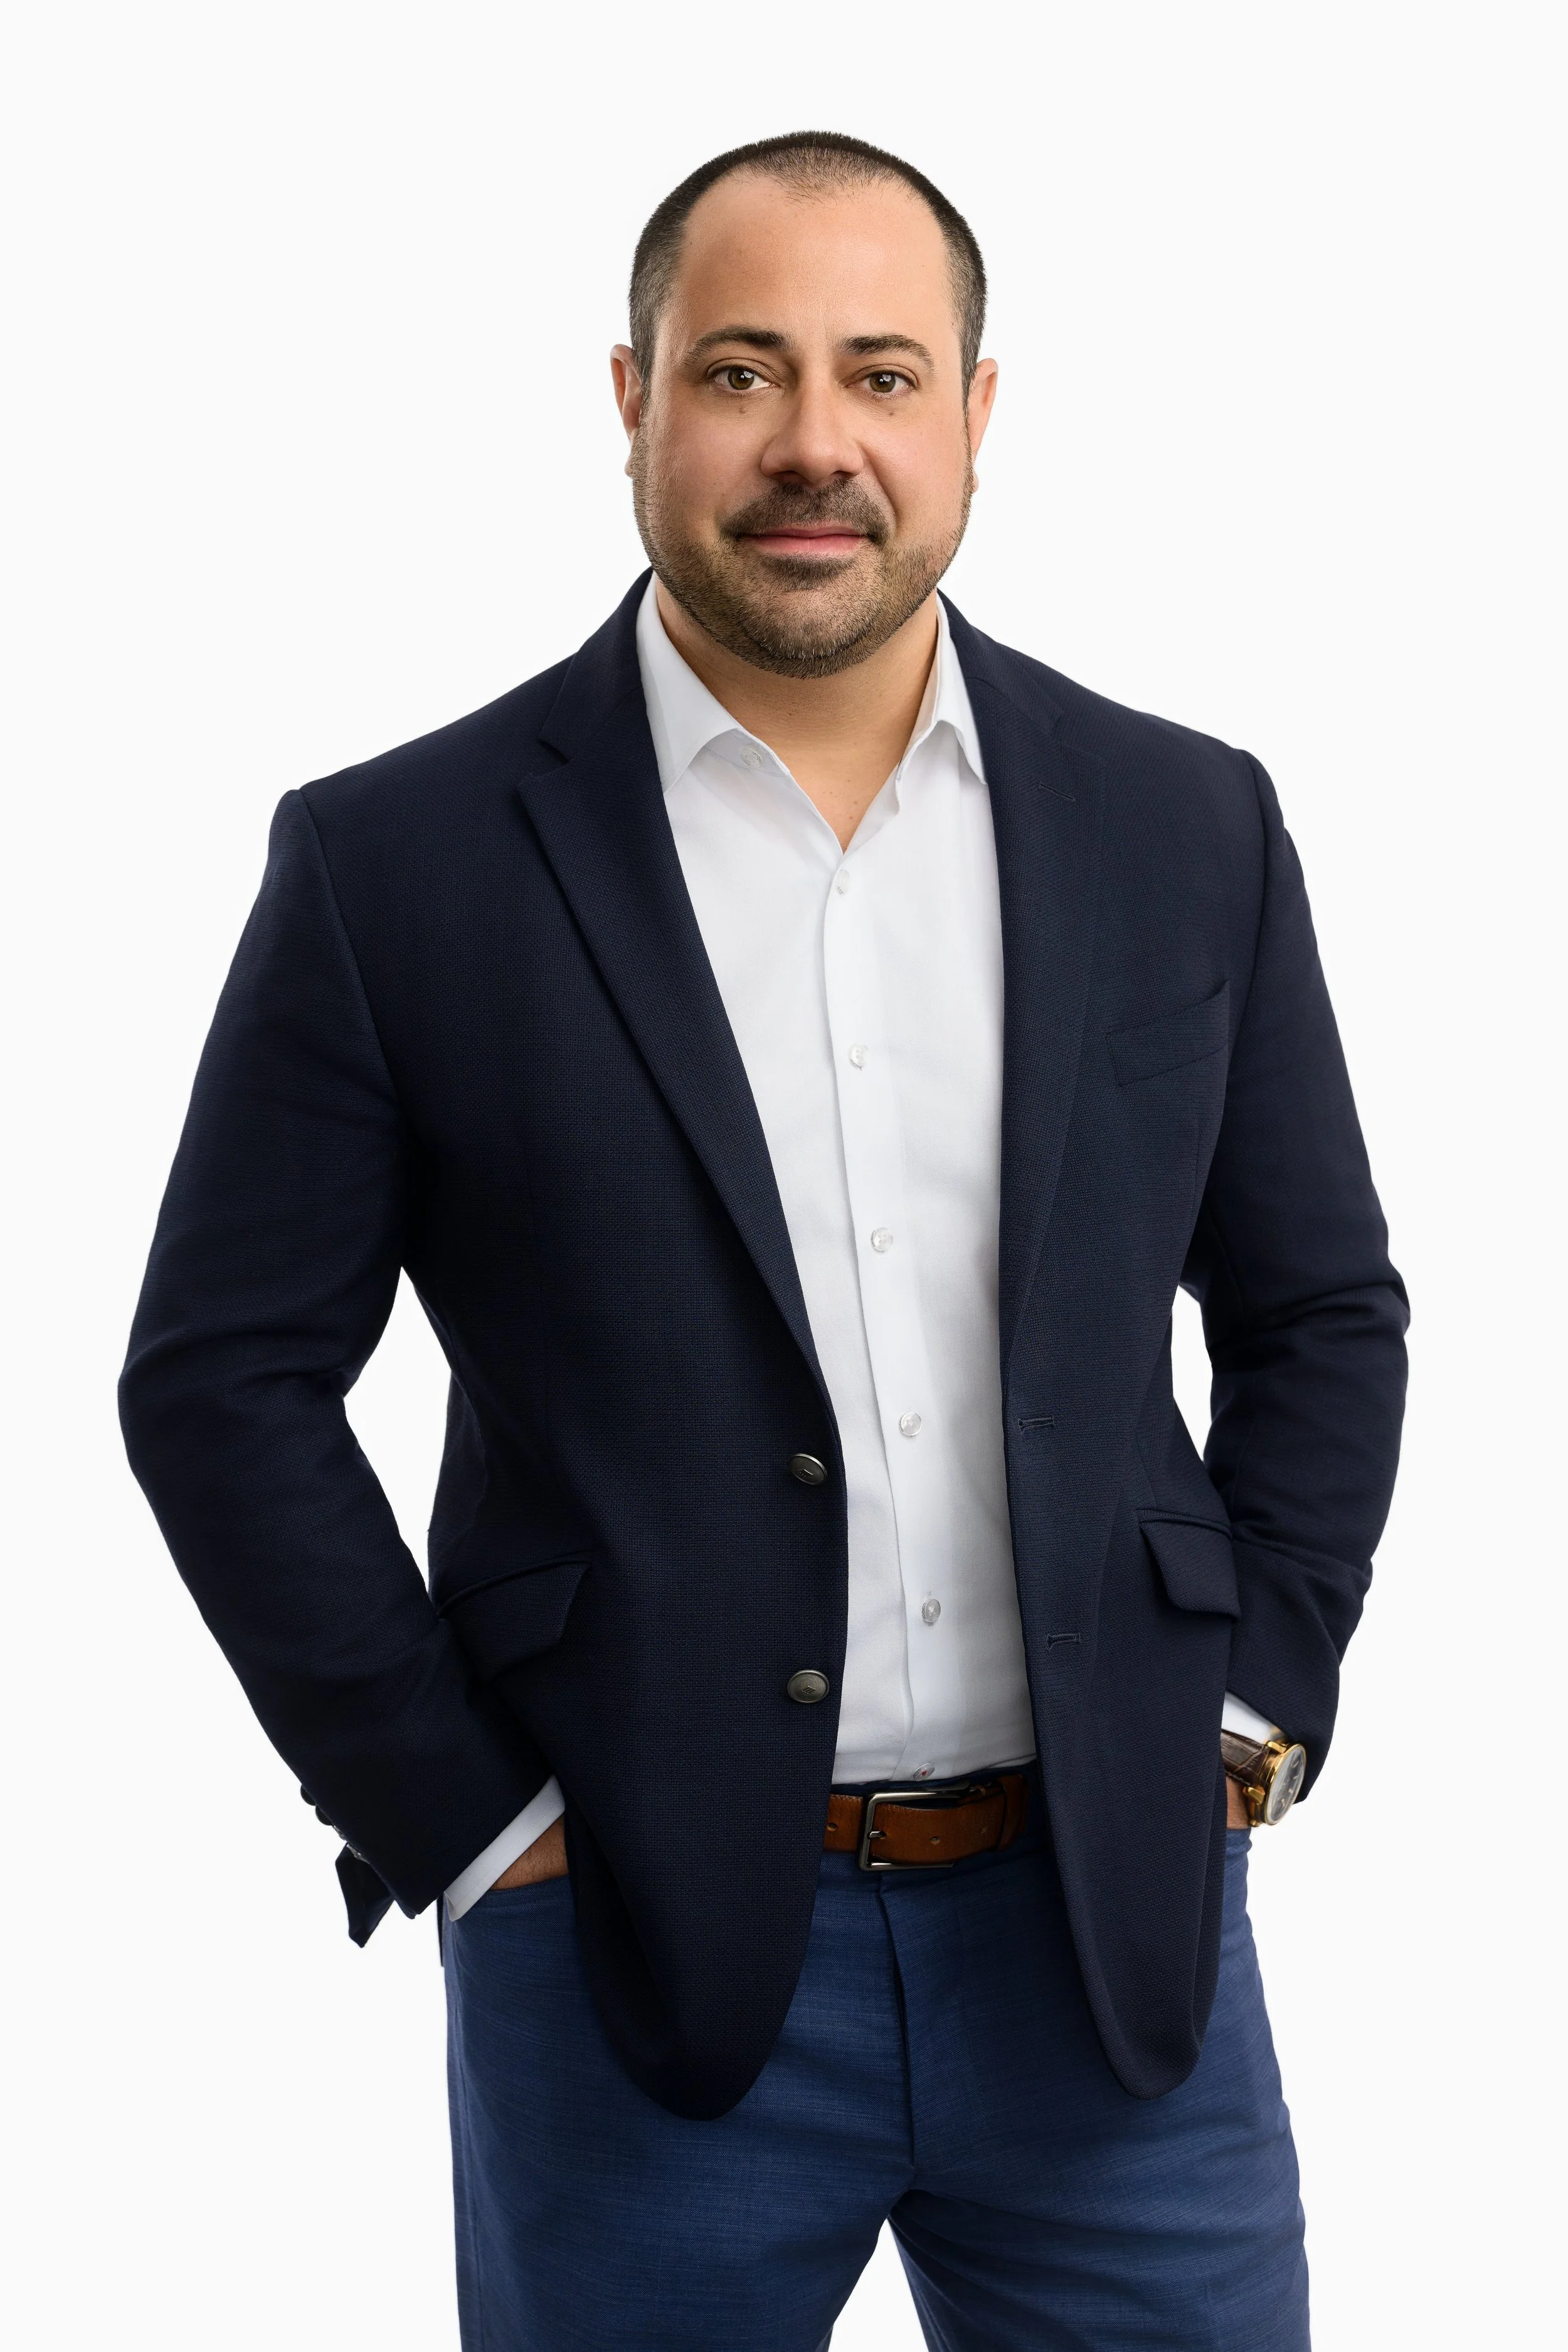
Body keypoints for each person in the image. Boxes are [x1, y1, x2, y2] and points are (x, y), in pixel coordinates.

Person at [120, 130, 1407, 2351]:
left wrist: (1258, 1692)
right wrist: (462, 1819)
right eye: (742, 371)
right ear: (629, 400)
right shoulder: (395, 863)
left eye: (881, 374)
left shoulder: (1186, 822)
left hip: (1114, 1945)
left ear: (974, 418)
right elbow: (219, 1377)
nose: (816, 442)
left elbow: (1316, 1309)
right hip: (629, 1941)